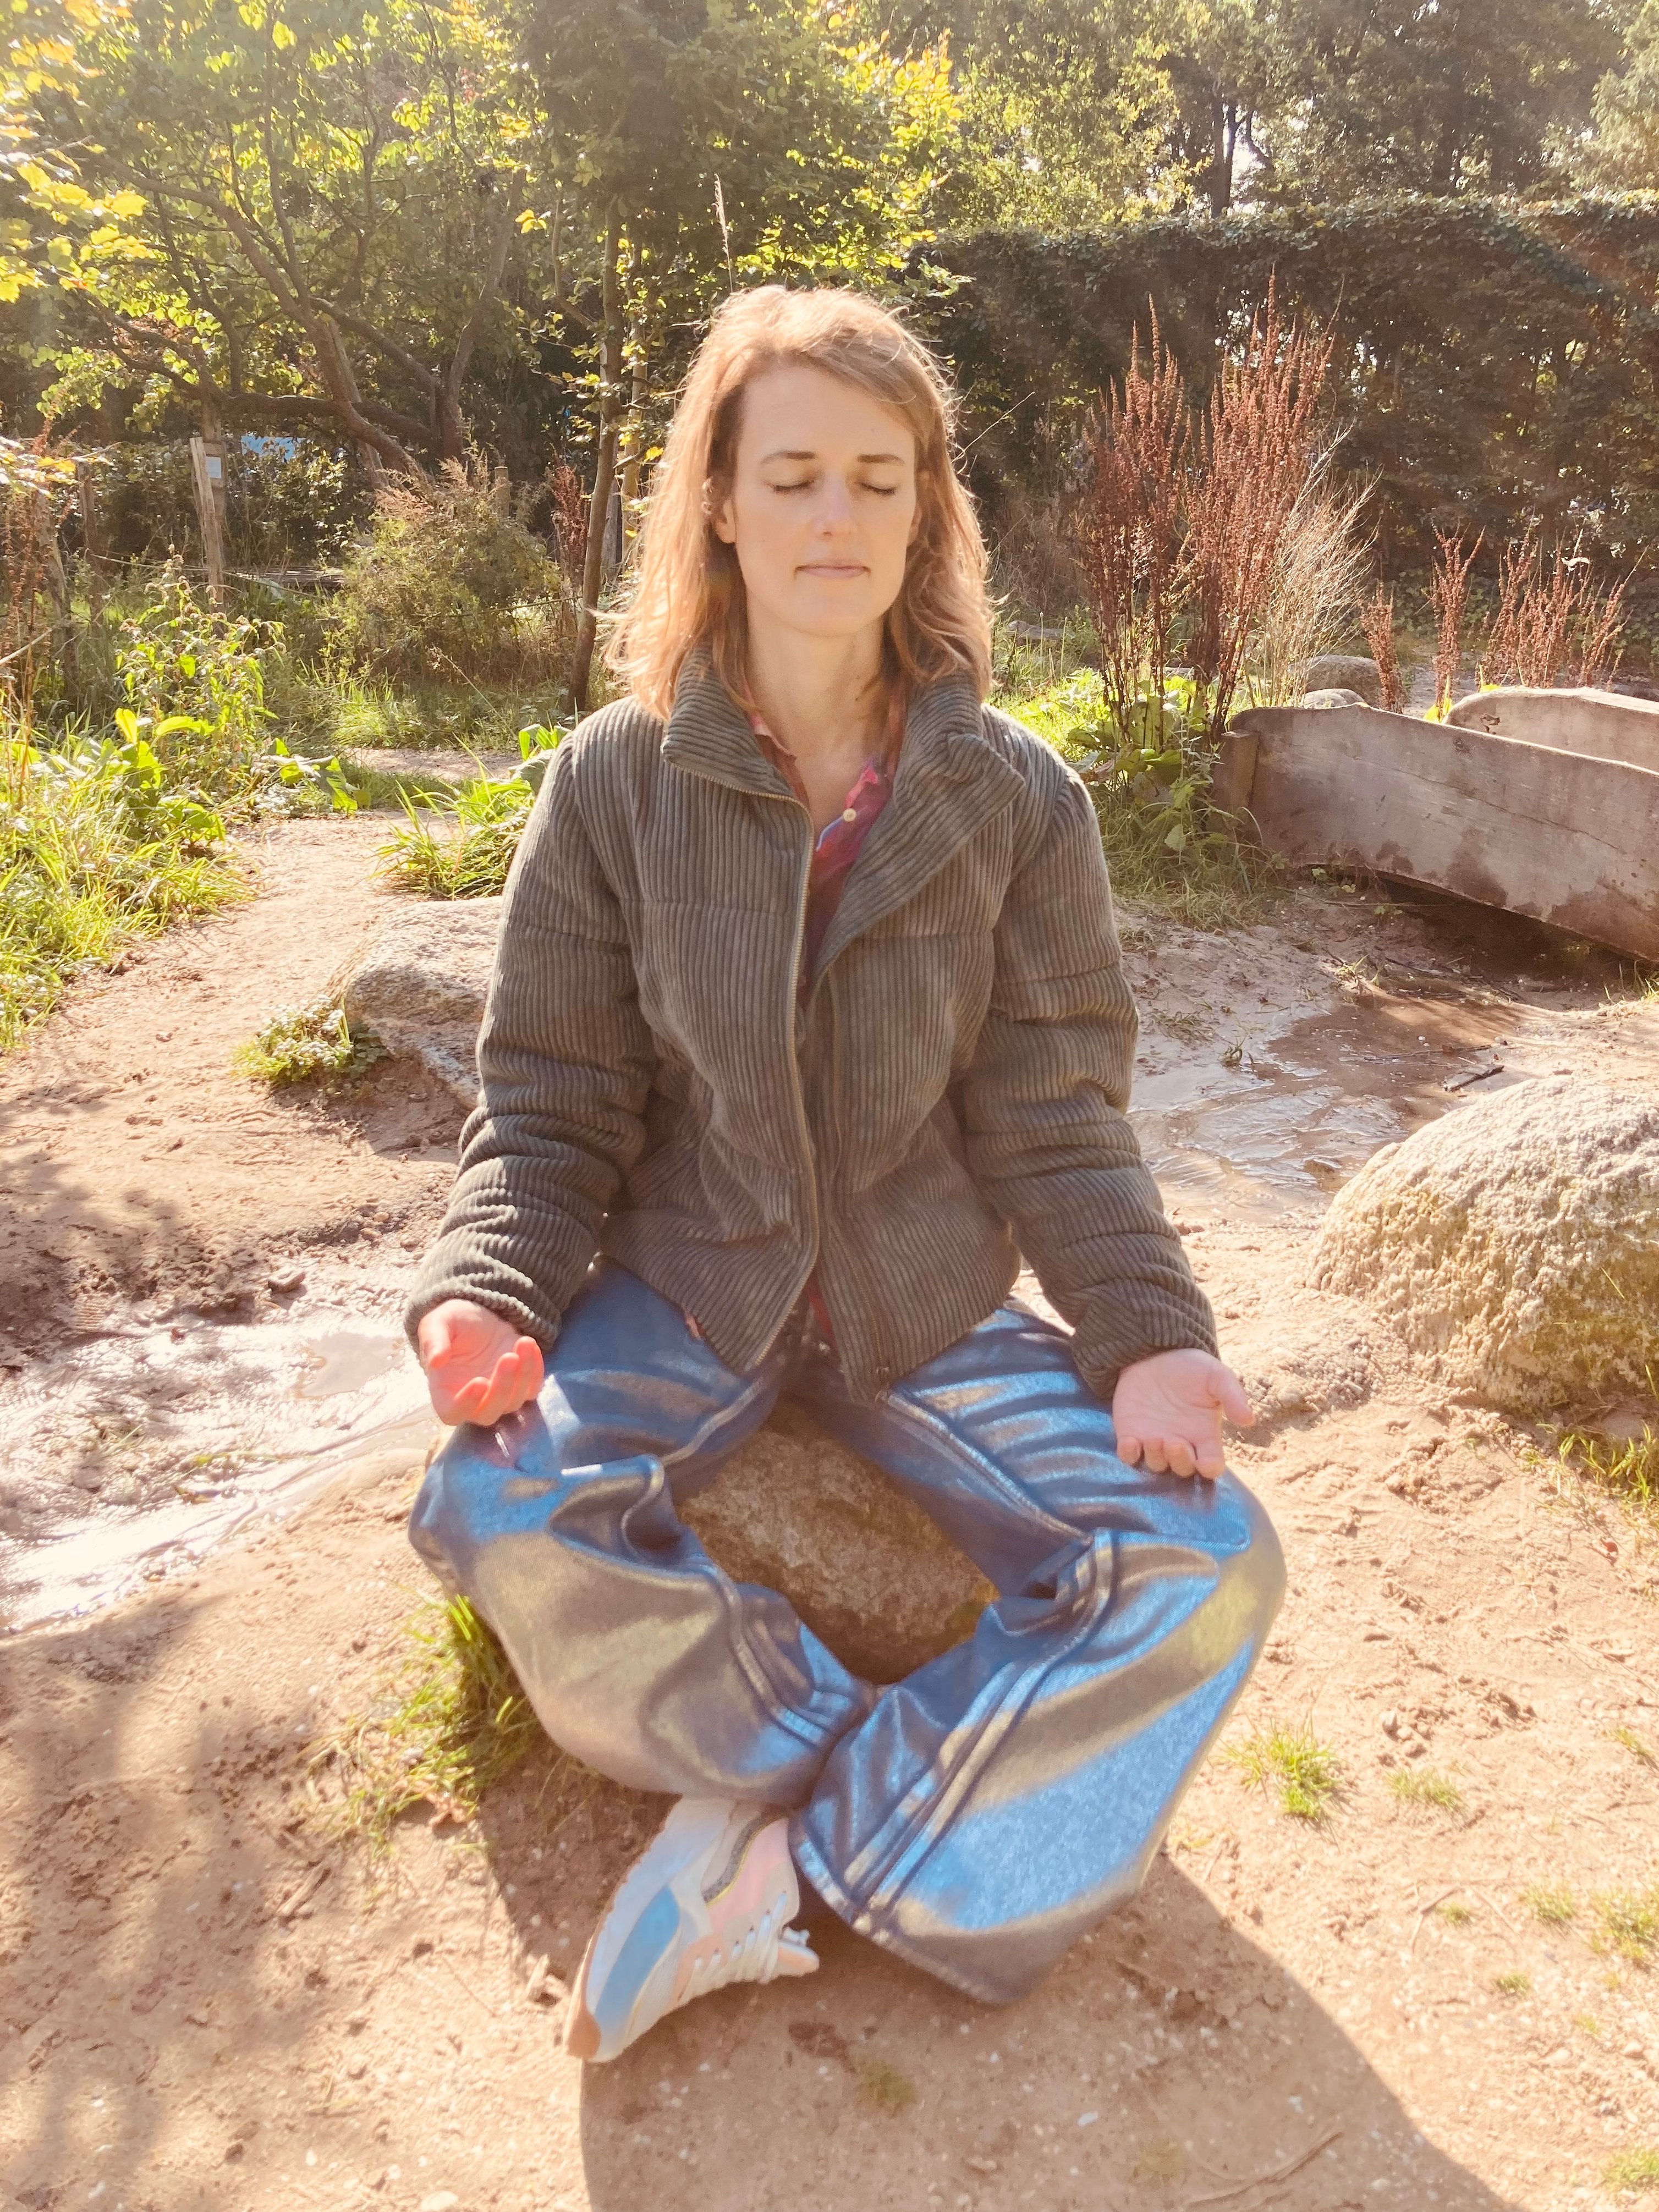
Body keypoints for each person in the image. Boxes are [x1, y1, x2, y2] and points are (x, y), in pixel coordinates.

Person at [405, 284, 1284, 2065]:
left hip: (926, 1309)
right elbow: (553, 1097)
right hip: (685, 1291)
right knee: (498, 1505)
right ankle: (859, 1784)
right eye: (793, 474)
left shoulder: (1020, 801)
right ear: (719, 502)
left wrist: (1148, 1336)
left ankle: (786, 1863)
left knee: (1211, 1559)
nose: (836, 516)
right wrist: (484, 1290)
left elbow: (1059, 1113)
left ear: (926, 509)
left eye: (879, 480)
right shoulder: (610, 782)